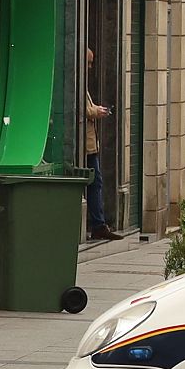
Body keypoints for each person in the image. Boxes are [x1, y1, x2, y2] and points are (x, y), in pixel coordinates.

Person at [84, 49, 122, 242]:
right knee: (95, 183)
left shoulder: (80, 82)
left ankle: (99, 224)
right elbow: (78, 107)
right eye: (89, 63)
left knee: (95, 183)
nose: (91, 68)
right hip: (85, 145)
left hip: (89, 144)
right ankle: (98, 225)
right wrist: (94, 111)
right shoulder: (75, 81)